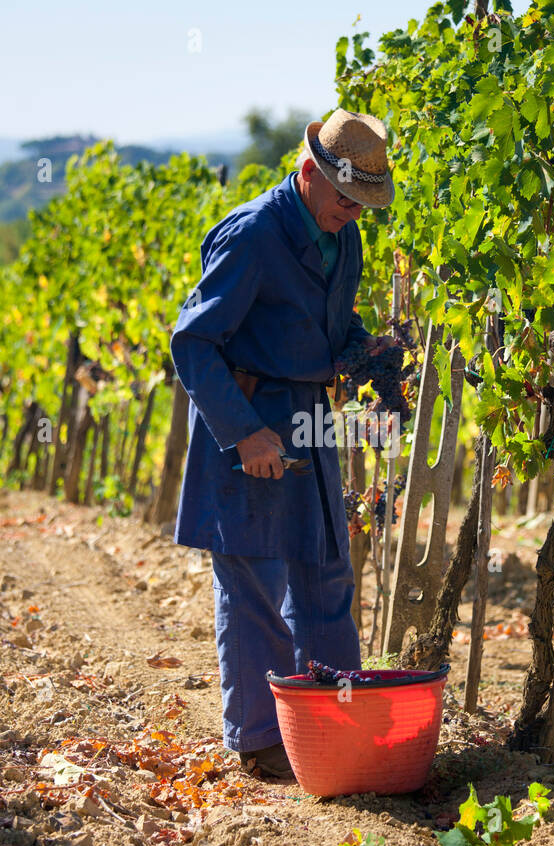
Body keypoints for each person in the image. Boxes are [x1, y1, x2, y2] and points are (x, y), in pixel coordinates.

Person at [169, 109, 396, 778]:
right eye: (345, 198)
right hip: (246, 413)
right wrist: (243, 434)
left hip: (307, 415)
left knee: (325, 568)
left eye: (362, 204)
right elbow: (194, 343)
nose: (352, 212)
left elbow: (335, 326)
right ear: (308, 174)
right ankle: (262, 741)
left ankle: (337, 716)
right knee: (255, 582)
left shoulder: (341, 236)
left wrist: (367, 356)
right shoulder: (250, 235)